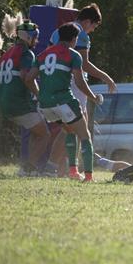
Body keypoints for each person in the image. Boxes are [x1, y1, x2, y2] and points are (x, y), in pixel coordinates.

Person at [27, 23, 103, 182]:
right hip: (64, 101)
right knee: (85, 136)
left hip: (45, 105)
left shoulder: (42, 55)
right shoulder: (74, 55)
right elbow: (80, 82)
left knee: (69, 131)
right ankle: (88, 177)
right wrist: (93, 97)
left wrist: (40, 95)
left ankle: (73, 172)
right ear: (74, 39)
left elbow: (29, 79)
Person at [49, 3, 117, 174]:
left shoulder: (59, 31)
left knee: (68, 127)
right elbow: (84, 64)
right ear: (87, 21)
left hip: (58, 81)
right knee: (80, 128)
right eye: (94, 26)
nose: (92, 30)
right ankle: (66, 168)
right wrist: (105, 77)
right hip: (73, 82)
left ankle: (63, 168)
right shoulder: (81, 34)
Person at [0, 20, 50, 176]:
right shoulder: (26, 53)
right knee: (45, 134)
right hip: (19, 104)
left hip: (5, 103)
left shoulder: (6, 54)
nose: (36, 40)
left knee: (36, 133)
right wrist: (40, 95)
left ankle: (27, 166)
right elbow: (27, 78)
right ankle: (28, 169)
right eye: (35, 37)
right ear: (28, 37)